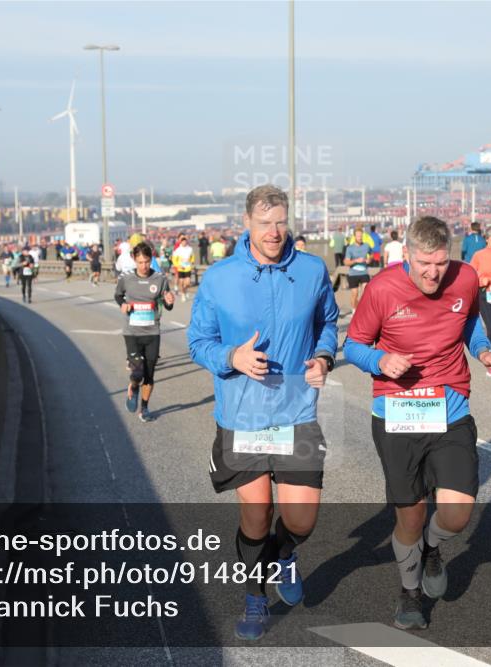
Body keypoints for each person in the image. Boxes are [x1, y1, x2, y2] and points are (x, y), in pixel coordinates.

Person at [187, 184, 338, 641]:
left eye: (280, 222)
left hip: (296, 412)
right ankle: (255, 597)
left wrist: (324, 356)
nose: (274, 232)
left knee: (301, 520)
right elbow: (198, 341)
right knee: (256, 513)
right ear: (247, 224)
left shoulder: (311, 270)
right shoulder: (220, 277)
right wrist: (231, 357)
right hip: (243, 416)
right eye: (264, 223)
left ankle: (285, 554)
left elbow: (327, 323)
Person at [344, 216, 491, 631]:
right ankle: (409, 591)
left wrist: (484, 351)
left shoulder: (465, 278)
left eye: (440, 263)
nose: (433, 273)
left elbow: (469, 321)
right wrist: (380, 360)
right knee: (411, 517)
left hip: (449, 407)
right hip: (396, 413)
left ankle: (432, 548)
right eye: (424, 264)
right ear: (407, 255)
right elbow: (353, 346)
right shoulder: (382, 288)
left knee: (456, 515)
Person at [116, 242, 175, 422]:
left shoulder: (160, 279)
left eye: (147, 262)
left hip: (152, 332)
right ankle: (134, 386)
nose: (144, 266)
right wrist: (123, 304)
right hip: (132, 333)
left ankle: (145, 408)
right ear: (134, 259)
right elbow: (118, 295)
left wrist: (169, 301)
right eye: (140, 262)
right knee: (137, 373)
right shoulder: (126, 278)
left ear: (151, 259)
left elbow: (167, 303)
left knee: (149, 374)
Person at [344, 227, 372, 314]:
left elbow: (371, 254)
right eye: (358, 236)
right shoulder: (350, 248)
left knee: (366, 291)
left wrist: (369, 260)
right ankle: (354, 311)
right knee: (355, 293)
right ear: (354, 237)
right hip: (353, 273)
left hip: (364, 272)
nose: (360, 238)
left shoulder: (366, 246)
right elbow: (346, 262)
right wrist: (356, 261)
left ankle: (362, 309)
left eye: (361, 236)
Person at [171, 235, 196, 302]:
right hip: (181, 268)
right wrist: (177, 265)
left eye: (185, 241)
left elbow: (192, 256)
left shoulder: (190, 249)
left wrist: (192, 261)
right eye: (183, 241)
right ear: (181, 242)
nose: (184, 243)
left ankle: (185, 291)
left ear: (186, 242)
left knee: (187, 283)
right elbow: (174, 259)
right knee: (181, 282)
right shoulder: (178, 250)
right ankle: (183, 294)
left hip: (188, 268)